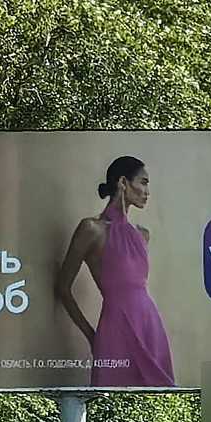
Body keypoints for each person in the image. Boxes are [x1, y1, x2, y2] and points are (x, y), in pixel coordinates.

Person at [53, 155, 175, 388]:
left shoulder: (142, 235)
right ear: (123, 182)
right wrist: (91, 336)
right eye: (144, 182)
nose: (147, 191)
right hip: (115, 328)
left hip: (150, 325)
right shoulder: (91, 229)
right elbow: (62, 287)